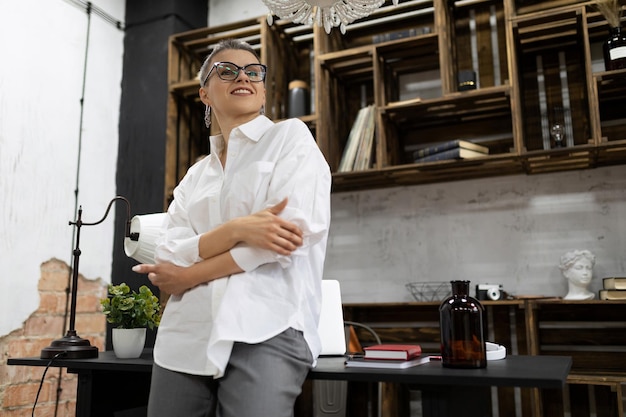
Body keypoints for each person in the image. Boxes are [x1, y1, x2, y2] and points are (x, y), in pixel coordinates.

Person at [132, 39, 332, 417]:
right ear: (204, 92)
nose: (243, 76)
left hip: (266, 326)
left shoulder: (290, 139)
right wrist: (240, 228)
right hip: (186, 336)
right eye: (227, 70)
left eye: (253, 72)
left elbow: (283, 239)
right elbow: (167, 252)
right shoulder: (195, 177)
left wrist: (186, 276)